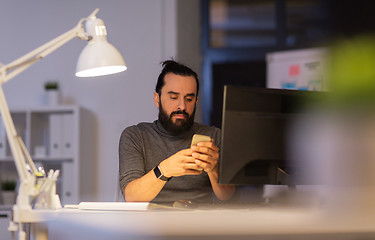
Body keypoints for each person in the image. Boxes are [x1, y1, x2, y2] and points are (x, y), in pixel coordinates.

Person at [119, 60, 235, 205]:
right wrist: (165, 170)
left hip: (200, 224)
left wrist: (213, 169)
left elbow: (228, 196)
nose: (182, 106)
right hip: (150, 224)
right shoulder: (135, 136)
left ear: (196, 101)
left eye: (189, 99)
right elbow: (131, 196)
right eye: (173, 97)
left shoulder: (214, 136)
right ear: (157, 99)